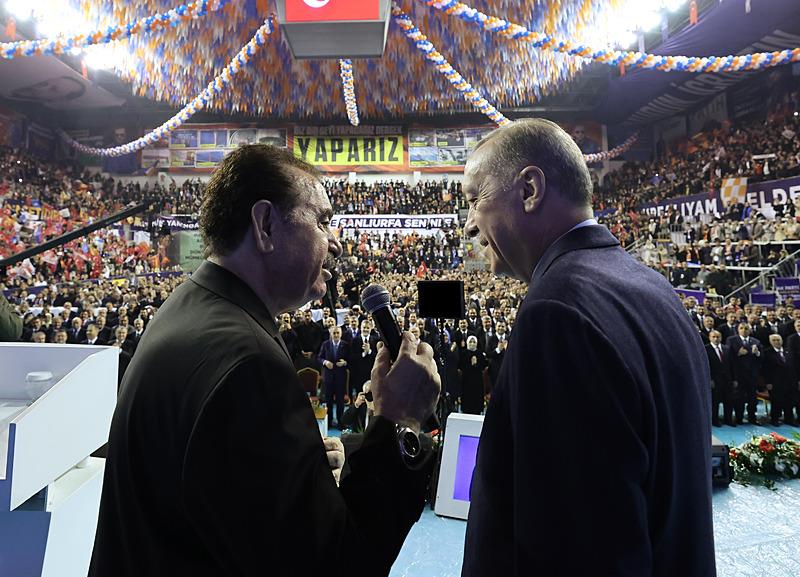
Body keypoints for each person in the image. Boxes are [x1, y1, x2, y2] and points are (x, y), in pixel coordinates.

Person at [89, 145, 441, 577]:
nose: (335, 243)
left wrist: (300, 472)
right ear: (265, 225)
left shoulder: (194, 304)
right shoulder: (248, 364)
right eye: (323, 221)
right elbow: (336, 567)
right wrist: (401, 418)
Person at [460, 119, 715, 576]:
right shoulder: (654, 287)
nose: (469, 227)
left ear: (530, 189)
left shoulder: (558, 312)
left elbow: (578, 550)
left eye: (474, 199)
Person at [725, 323, 762, 424]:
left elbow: (762, 358)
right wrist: (738, 354)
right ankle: (739, 418)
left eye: (746, 328)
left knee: (752, 398)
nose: (744, 330)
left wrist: (757, 353)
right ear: (738, 330)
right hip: (738, 374)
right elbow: (727, 357)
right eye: (741, 328)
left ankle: (752, 418)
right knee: (739, 397)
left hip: (752, 375)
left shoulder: (756, 341)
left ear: (750, 330)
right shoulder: (731, 340)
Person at [762, 334, 798, 426]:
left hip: (790, 381)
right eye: (774, 340)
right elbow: (765, 369)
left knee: (790, 401)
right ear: (770, 342)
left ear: (782, 340)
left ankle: (789, 419)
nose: (776, 342)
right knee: (776, 401)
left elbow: (795, 366)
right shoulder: (767, 353)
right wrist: (768, 382)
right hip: (775, 382)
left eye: (778, 340)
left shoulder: (789, 351)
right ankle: (775, 419)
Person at [318, 326, 350, 429]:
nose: (336, 335)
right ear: (330, 334)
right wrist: (325, 362)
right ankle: (329, 422)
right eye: (334, 333)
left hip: (340, 378)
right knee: (329, 401)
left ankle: (341, 423)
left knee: (340, 402)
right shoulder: (325, 344)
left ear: (341, 334)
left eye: (337, 333)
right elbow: (318, 357)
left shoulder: (345, 345)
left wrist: (345, 362)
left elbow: (351, 359)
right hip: (328, 378)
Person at [705, 330, 735, 427]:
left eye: (718, 337)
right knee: (715, 401)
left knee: (729, 400)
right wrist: (709, 380)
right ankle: (715, 420)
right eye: (713, 337)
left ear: (721, 338)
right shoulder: (706, 349)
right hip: (715, 380)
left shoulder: (727, 349)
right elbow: (706, 366)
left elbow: (732, 365)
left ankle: (728, 419)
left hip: (727, 379)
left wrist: (734, 379)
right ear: (710, 338)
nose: (716, 339)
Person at [458, 335, 487, 415]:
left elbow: (483, 365)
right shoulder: (463, 353)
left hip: (477, 380)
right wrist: (471, 365)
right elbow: (461, 366)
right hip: (467, 380)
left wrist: (475, 365)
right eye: (470, 342)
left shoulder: (479, 353)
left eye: (474, 342)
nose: (472, 344)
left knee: (477, 400)